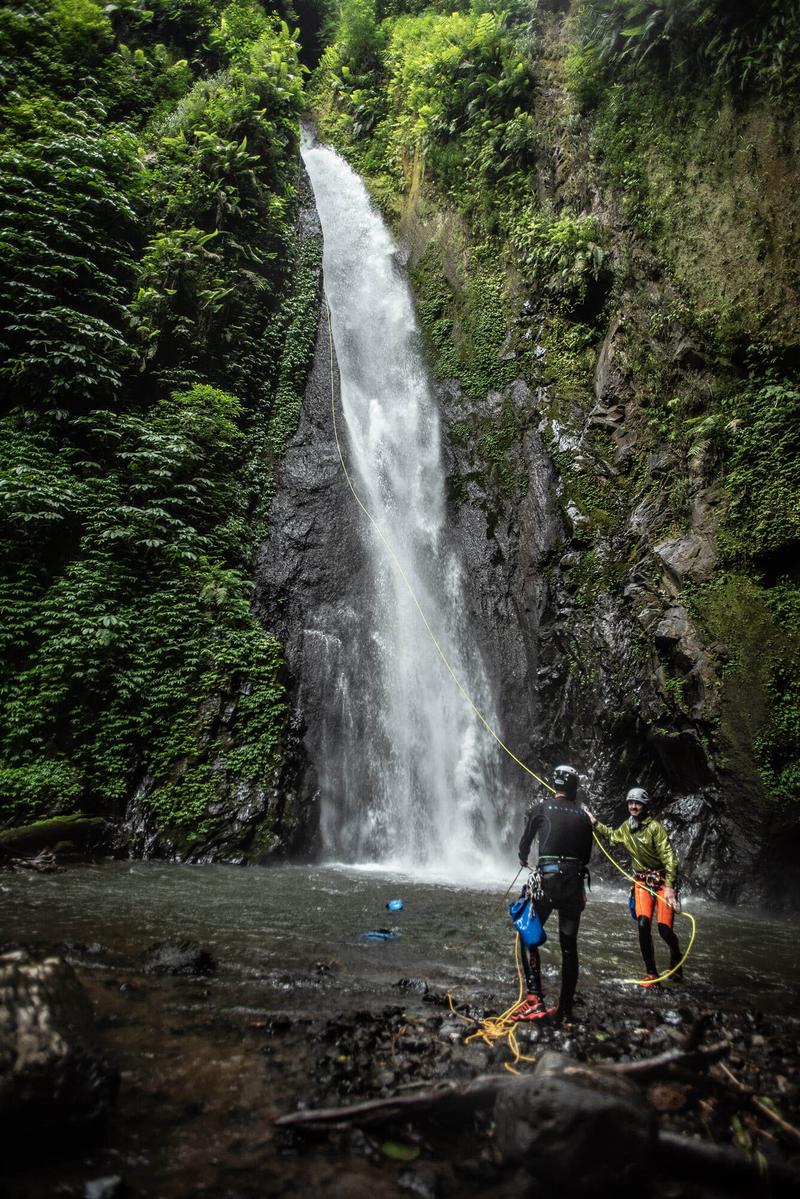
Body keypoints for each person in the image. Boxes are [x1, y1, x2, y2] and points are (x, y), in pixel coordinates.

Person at [514, 764, 593, 1021]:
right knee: (569, 946)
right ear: (574, 788)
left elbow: (525, 841)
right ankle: (566, 1008)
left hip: (548, 882)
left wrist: (523, 858)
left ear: (555, 785)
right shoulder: (584, 816)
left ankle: (534, 998)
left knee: (527, 933)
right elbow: (585, 856)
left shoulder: (542, 808)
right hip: (573, 884)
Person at [589, 786, 682, 984]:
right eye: (630, 803)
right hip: (641, 882)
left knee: (665, 930)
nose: (633, 806)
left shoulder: (655, 828)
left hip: (661, 882)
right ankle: (651, 973)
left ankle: (676, 956)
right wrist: (595, 823)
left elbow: (670, 858)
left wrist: (670, 887)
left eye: (637, 803)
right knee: (643, 924)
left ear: (644, 806)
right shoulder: (626, 827)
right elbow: (613, 836)